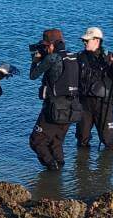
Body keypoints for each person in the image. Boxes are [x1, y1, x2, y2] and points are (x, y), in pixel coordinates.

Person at [28, 27, 79, 170]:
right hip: (72, 109)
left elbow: (33, 75)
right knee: (56, 143)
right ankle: (58, 179)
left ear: (51, 45)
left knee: (36, 141)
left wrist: (35, 60)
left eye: (46, 46)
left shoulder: (52, 58)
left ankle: (52, 169)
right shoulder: (74, 57)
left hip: (54, 110)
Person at [76, 26, 113, 150]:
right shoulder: (79, 57)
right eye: (84, 40)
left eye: (87, 40)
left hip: (103, 104)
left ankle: (107, 168)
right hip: (84, 103)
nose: (84, 42)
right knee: (82, 138)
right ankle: (81, 167)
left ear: (97, 41)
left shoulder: (110, 58)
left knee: (108, 140)